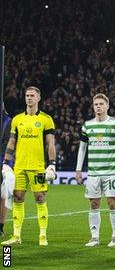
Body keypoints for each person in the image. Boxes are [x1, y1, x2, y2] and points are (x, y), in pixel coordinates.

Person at [2, 86, 56, 246]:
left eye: (32, 95)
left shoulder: (46, 119)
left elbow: (50, 144)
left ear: (39, 98)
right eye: (27, 95)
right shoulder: (17, 119)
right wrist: (5, 163)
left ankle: (43, 236)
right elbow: (12, 142)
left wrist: (52, 164)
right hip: (19, 166)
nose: (29, 98)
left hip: (38, 167)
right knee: (18, 198)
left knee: (40, 198)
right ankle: (16, 236)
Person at [75, 93, 115, 247]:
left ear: (107, 106)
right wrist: (78, 169)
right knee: (94, 204)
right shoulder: (87, 125)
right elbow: (82, 148)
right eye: (96, 104)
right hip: (93, 172)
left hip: (111, 171)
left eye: (101, 104)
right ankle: (94, 237)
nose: (98, 106)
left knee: (112, 203)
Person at [0, 102, 11, 237]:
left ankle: (1, 226)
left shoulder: (8, 121)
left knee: (3, 195)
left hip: (3, 162)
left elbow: (8, 143)